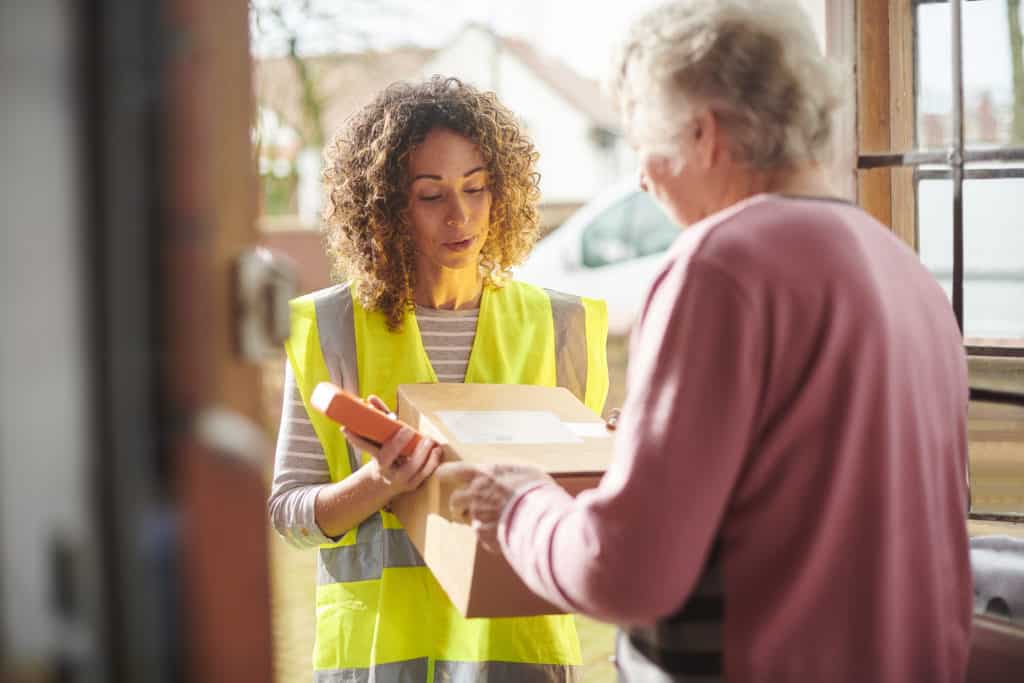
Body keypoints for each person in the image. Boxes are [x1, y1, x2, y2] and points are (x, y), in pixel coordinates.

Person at [442, 2, 973, 681]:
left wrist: (518, 504)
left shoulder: (720, 266)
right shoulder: (904, 269)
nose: (640, 177)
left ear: (704, 134)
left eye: (643, 143)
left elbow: (627, 573)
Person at [267, 76, 609, 681]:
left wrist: (616, 461)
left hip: (517, 659)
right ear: (386, 205)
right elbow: (290, 513)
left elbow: (591, 515)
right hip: (379, 661)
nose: (461, 215)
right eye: (431, 196)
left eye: (477, 188)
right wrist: (380, 481)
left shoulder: (562, 326)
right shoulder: (330, 327)